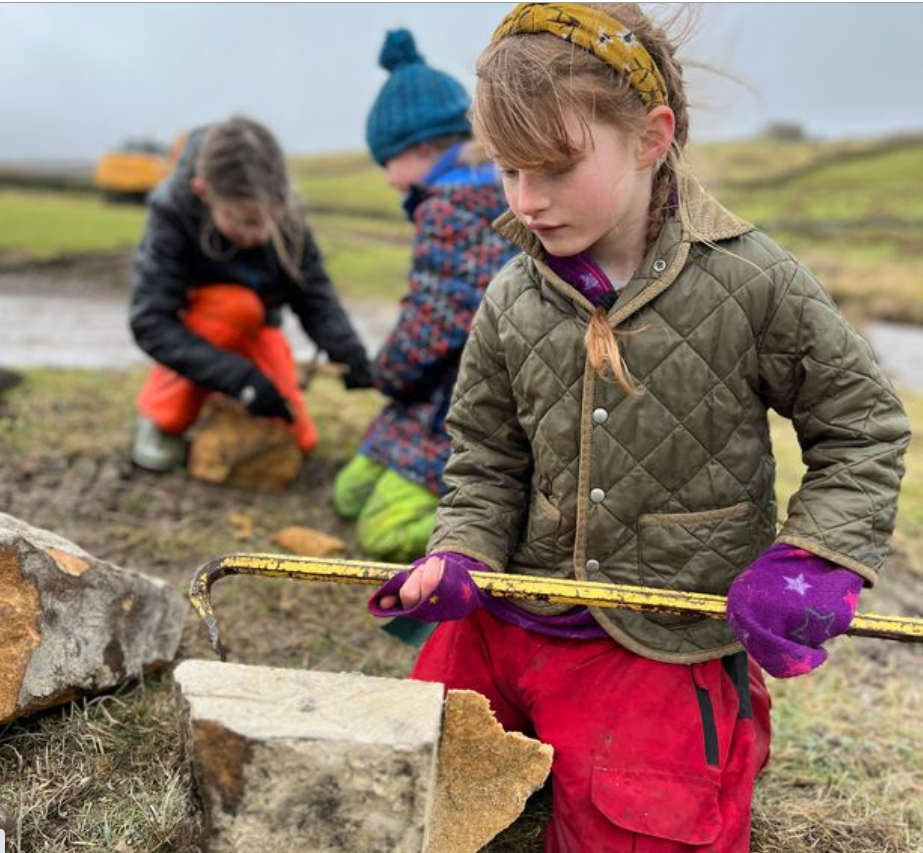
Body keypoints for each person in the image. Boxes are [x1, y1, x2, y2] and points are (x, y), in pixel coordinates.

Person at [368, 4, 911, 851]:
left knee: (640, 832)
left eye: (552, 167)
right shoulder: (510, 295)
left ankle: (712, 730)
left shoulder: (753, 280)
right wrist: (461, 549)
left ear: (650, 137)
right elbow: (482, 452)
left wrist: (812, 557)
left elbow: (862, 427)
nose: (525, 200)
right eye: (509, 170)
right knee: (393, 788)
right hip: (507, 620)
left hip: (662, 641)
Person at [332, 29, 516, 562]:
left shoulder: (450, 207)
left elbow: (433, 322)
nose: (388, 180)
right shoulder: (476, 192)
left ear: (416, 150)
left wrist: (383, 373)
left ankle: (492, 538)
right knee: (350, 495)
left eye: (386, 162)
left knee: (381, 533)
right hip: (436, 396)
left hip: (457, 409)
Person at [129, 115, 372, 472]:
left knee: (300, 438)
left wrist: (346, 350)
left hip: (259, 330)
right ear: (203, 192)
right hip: (204, 328)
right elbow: (151, 322)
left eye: (267, 220)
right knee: (235, 306)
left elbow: (313, 293)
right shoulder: (172, 211)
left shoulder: (283, 209)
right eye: (243, 221)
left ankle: (231, 398)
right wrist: (241, 381)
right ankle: (158, 416)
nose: (258, 234)